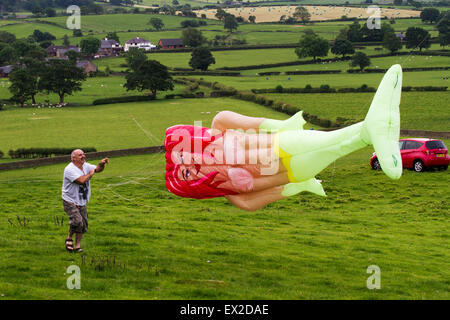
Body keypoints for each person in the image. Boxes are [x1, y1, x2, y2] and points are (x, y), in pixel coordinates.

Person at [165, 65, 403, 211]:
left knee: (332, 143)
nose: (192, 166)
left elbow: (222, 117)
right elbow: (248, 204)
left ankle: (374, 129)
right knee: (335, 147)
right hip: (294, 170)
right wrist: (297, 186)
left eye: (185, 156)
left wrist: (280, 125)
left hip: (282, 146)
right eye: (187, 173)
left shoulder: (218, 137)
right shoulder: (227, 188)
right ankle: (374, 129)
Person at [62, 149, 109, 252]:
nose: (83, 156)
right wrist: (91, 174)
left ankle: (77, 246)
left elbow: (97, 169)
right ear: (74, 158)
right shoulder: (69, 169)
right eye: (80, 155)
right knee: (77, 221)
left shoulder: (86, 166)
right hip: (70, 200)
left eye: (83, 154)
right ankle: (69, 237)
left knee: (83, 224)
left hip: (81, 200)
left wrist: (101, 164)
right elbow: (81, 180)